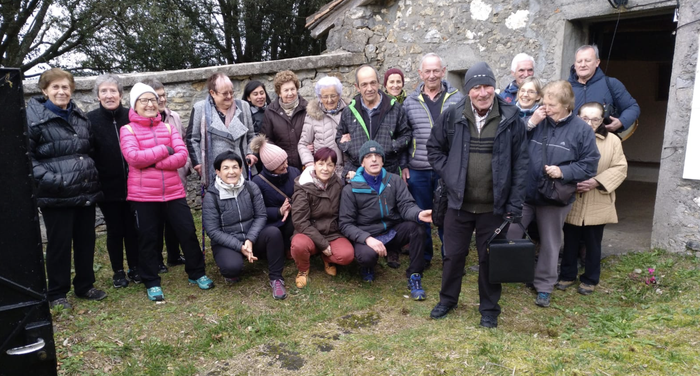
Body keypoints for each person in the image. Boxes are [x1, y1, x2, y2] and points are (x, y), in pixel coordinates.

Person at [426, 62, 528, 328]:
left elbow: (521, 163)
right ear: (468, 89)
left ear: (494, 87)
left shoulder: (510, 117)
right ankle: (447, 300)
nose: (483, 93)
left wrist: (514, 204)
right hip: (458, 205)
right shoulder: (452, 115)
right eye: (476, 87)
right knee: (453, 255)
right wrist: (450, 173)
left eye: (487, 86)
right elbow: (434, 149)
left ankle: (490, 308)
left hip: (494, 207)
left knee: (490, 259)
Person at [506, 80, 600, 309]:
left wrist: (564, 171)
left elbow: (590, 165)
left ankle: (544, 287)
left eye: (552, 104)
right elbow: (510, 140)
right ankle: (507, 272)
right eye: (545, 102)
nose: (546, 107)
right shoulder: (538, 119)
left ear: (567, 105)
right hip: (526, 192)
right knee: (510, 232)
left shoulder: (582, 130)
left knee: (550, 242)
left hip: (554, 197)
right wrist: (530, 122)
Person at [121, 83, 214, 302]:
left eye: (153, 100)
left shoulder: (169, 128)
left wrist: (152, 163)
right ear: (135, 105)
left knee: (187, 232)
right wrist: (164, 151)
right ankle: (151, 281)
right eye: (144, 100)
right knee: (148, 238)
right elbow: (134, 158)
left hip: (173, 191)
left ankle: (196, 272)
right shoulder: (128, 130)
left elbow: (182, 157)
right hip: (143, 195)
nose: (150, 104)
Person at [27, 68, 106, 310]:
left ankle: (85, 285)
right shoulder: (34, 120)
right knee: (60, 245)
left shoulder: (80, 118)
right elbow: (25, 159)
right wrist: (55, 180)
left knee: (85, 240)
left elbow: (89, 150)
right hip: (57, 194)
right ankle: (57, 293)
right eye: (55, 87)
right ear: (44, 90)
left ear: (71, 90)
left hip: (84, 191)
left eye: (65, 87)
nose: (61, 91)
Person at [339, 141, 432, 300]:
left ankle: (415, 275)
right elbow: (345, 224)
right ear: (362, 162)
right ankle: (368, 266)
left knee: (417, 228)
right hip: (367, 237)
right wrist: (367, 239)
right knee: (367, 257)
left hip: (391, 232)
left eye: (377, 156)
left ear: (383, 160)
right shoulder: (351, 188)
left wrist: (418, 214)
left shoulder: (394, 180)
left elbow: (406, 205)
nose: (374, 159)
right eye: (368, 156)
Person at [557, 102, 627, 295]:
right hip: (572, 198)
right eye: (585, 118)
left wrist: (596, 181)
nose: (590, 123)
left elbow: (620, 168)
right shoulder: (568, 136)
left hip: (598, 199)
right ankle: (567, 275)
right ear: (578, 117)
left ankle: (590, 278)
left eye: (595, 119)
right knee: (569, 240)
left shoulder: (612, 141)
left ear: (601, 120)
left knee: (593, 242)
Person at [402, 52, 463, 265]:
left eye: (436, 70)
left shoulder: (457, 99)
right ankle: (424, 256)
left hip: (447, 168)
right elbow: (404, 136)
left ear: (443, 72)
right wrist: (404, 165)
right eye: (427, 71)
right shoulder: (409, 102)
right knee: (422, 214)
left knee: (449, 215)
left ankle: (450, 257)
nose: (431, 75)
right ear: (420, 73)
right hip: (418, 168)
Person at [202, 151, 287, 299]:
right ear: (218, 172)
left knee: (274, 233)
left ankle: (276, 278)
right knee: (232, 268)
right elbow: (213, 231)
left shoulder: (251, 187)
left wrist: (249, 240)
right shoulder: (211, 196)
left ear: (241, 169)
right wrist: (239, 247)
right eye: (226, 168)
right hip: (228, 241)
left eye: (235, 167)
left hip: (251, 236)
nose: (231, 172)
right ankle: (234, 264)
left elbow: (261, 216)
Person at [87, 74, 140, 288]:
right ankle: (118, 271)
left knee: (133, 228)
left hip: (135, 184)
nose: (109, 95)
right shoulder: (89, 120)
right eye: (104, 91)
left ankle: (135, 267)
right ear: (98, 96)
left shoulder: (131, 115)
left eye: (113, 91)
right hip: (107, 186)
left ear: (120, 94)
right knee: (115, 230)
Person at [141, 77, 187, 273]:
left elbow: (182, 143)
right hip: (153, 181)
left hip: (176, 175)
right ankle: (157, 259)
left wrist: (186, 164)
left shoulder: (174, 117)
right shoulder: (141, 123)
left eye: (163, 95)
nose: (160, 100)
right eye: (156, 96)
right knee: (156, 222)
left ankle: (174, 254)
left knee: (174, 219)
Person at [291, 147, 354, 288]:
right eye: (321, 164)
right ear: (314, 165)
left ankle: (327, 258)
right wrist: (323, 244)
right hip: (309, 233)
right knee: (298, 245)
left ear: (334, 167)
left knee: (346, 255)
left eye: (330, 164)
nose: (325, 168)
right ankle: (303, 269)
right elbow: (300, 221)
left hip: (332, 232)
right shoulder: (304, 188)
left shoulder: (337, 184)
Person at [336, 65, 411, 180]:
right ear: (357, 87)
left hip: (389, 172)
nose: (370, 88)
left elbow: (406, 134)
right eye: (364, 84)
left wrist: (392, 146)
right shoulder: (349, 111)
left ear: (379, 83)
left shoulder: (394, 108)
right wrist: (350, 146)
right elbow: (339, 137)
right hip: (357, 173)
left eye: (373, 83)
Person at [186, 72, 258, 188]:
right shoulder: (200, 109)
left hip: (241, 167)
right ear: (212, 93)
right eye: (225, 93)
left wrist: (251, 153)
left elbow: (252, 135)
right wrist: (198, 163)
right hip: (214, 169)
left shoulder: (244, 106)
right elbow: (192, 138)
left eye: (231, 92)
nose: (229, 96)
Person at [568, 44, 640, 133]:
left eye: (587, 61)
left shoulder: (611, 84)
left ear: (597, 62)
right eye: (579, 61)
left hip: (603, 140)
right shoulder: (565, 88)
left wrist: (621, 121)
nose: (583, 65)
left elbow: (632, 107)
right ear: (575, 64)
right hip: (572, 142)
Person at [250, 134, 301, 254]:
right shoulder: (258, 182)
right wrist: (279, 211)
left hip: (295, 214)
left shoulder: (294, 172)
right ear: (270, 167)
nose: (286, 166)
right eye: (281, 165)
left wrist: (294, 205)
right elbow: (256, 211)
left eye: (286, 161)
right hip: (273, 222)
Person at [298, 76, 347, 177]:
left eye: (333, 95)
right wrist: (310, 163)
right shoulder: (312, 115)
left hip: (347, 170)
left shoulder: (349, 111)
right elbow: (303, 144)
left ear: (339, 95)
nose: (329, 100)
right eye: (325, 96)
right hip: (324, 172)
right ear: (320, 97)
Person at [260, 70, 308, 170]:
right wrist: (278, 157)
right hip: (283, 166)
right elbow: (266, 139)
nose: (290, 93)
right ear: (279, 93)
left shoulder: (307, 108)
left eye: (292, 89)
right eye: (286, 90)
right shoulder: (270, 111)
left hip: (306, 162)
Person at [242, 80, 271, 174]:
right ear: (248, 98)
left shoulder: (272, 110)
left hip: (272, 153)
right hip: (255, 157)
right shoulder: (244, 115)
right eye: (255, 94)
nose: (260, 97)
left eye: (262, 93)